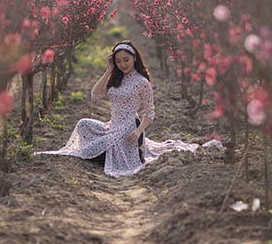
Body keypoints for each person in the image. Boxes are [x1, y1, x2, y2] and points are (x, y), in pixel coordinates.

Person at [33, 40, 220, 177]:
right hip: (112, 125)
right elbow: (95, 94)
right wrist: (108, 70)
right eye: (119, 61)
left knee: (115, 141)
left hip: (130, 127)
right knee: (83, 124)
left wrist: (138, 131)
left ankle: (106, 155)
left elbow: (150, 112)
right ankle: (101, 154)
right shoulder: (116, 78)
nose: (123, 64)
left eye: (126, 60)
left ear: (134, 58)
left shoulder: (142, 82)